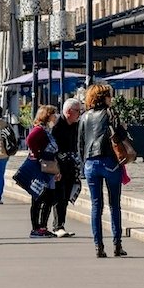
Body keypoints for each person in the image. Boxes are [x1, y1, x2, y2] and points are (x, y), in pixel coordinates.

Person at [77, 83, 127, 258]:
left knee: (96, 205)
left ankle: (98, 245)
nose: (110, 98)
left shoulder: (84, 117)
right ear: (104, 97)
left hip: (90, 163)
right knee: (114, 204)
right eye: (109, 95)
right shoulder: (110, 113)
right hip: (109, 161)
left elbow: (80, 144)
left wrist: (84, 165)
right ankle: (117, 244)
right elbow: (120, 135)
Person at [48, 98, 81, 236]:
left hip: (71, 165)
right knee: (59, 196)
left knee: (66, 196)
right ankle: (57, 226)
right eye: (78, 111)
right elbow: (51, 148)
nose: (80, 114)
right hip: (58, 166)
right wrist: (56, 169)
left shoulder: (76, 125)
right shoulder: (56, 126)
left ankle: (60, 225)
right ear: (68, 112)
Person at [25, 105, 59, 238]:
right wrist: (37, 155)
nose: (55, 117)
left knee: (49, 198)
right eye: (53, 114)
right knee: (38, 198)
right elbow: (30, 140)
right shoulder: (39, 130)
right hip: (41, 167)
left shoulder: (47, 130)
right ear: (47, 115)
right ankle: (36, 228)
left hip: (49, 166)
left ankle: (43, 226)